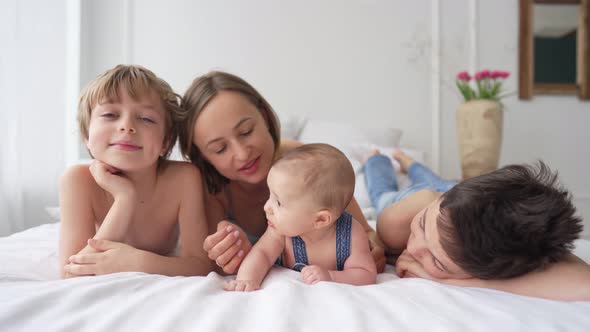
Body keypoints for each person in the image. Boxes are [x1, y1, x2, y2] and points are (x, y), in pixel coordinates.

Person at [178, 71, 386, 275]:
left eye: (246, 131)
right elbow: (212, 265)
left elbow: (368, 234)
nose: (242, 154)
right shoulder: (210, 191)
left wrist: (372, 250)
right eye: (220, 149)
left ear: (265, 117)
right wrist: (232, 253)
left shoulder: (307, 166)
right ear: (203, 157)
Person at [364, 149, 590, 301]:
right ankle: (379, 159)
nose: (413, 249)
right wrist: (374, 240)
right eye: (422, 226)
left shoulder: (516, 246)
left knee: (443, 185)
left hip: (447, 202)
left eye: (437, 262)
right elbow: (375, 236)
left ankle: (413, 167)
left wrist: (459, 282)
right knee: (383, 193)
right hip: (423, 201)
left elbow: (584, 283)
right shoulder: (399, 223)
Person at [59, 65, 210, 278]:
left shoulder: (184, 178)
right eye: (110, 114)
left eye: (146, 118)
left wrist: (136, 261)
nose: (126, 126)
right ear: (86, 135)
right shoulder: (77, 180)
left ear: (166, 142)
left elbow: (201, 265)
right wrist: (124, 198)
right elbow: (72, 274)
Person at [224, 144, 377, 291]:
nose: (266, 207)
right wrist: (246, 279)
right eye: (270, 196)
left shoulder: (351, 234)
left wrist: (331, 276)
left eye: (278, 202)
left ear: (320, 220)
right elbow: (261, 254)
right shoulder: (280, 232)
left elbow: (365, 274)